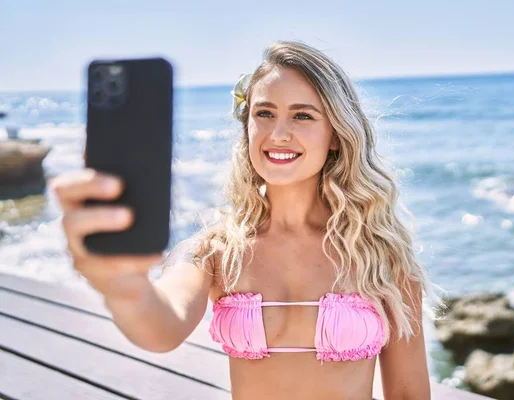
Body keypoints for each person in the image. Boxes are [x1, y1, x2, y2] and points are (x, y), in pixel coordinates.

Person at [51, 41, 441, 400]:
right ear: (247, 125)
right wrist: (122, 285)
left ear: (336, 134)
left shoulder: (381, 257)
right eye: (264, 113)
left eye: (302, 115)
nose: (278, 133)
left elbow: (409, 394)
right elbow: (160, 329)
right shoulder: (217, 251)